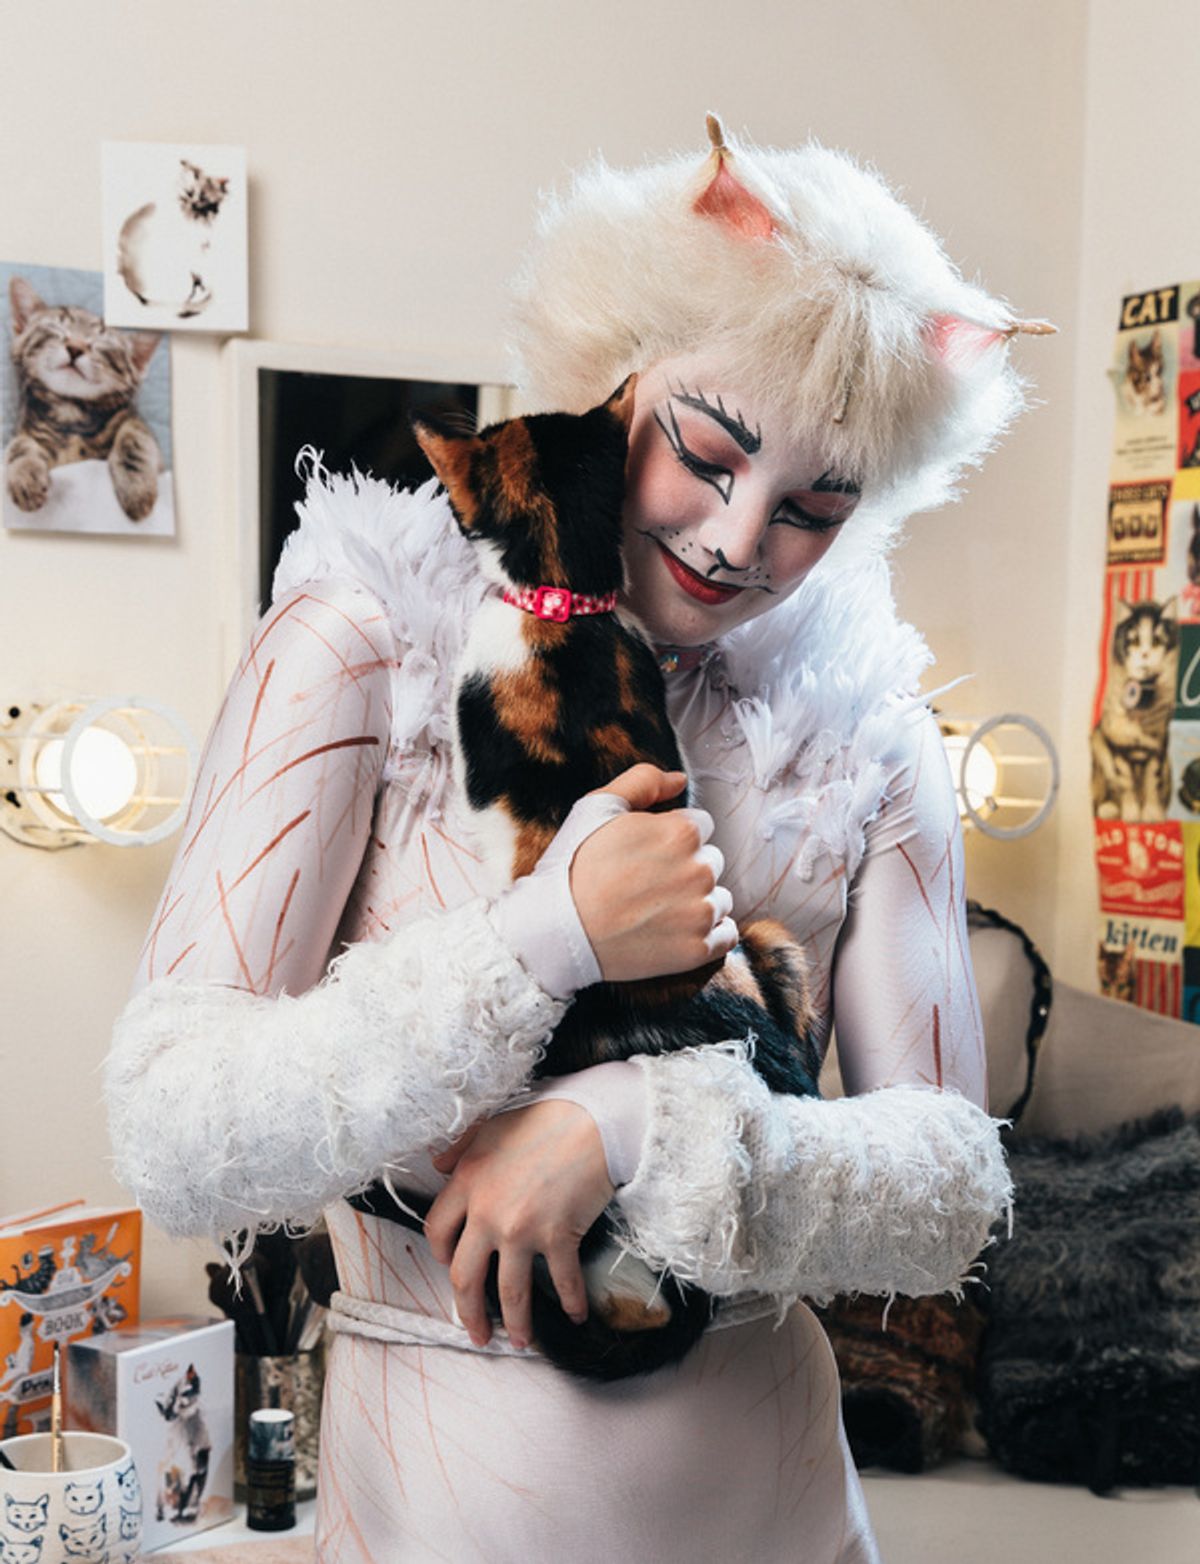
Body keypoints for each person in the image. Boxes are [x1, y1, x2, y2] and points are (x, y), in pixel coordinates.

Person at [104, 117, 1046, 1562]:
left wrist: (631, 1130)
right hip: (440, 1506)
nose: (738, 540)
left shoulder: (869, 727)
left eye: (815, 508)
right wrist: (538, 945)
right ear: (613, 367)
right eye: (708, 450)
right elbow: (174, 1130)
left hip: (785, 1508)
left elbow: (949, 1194)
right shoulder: (363, 642)